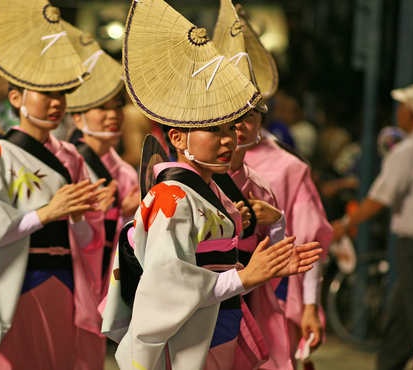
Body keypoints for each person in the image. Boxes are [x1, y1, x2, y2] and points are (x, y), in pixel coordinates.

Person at [101, 1, 322, 369]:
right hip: (187, 334)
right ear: (178, 138)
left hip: (219, 326)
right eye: (214, 130)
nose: (228, 140)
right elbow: (166, 286)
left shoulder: (213, 193)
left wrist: (263, 271)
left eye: (231, 129)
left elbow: (222, 276)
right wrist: (246, 275)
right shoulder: (171, 196)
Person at [0, 2, 115, 369]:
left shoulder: (71, 157)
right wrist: (49, 212)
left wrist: (87, 212)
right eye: (46, 94)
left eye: (61, 94)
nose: (57, 103)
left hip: (64, 280)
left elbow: (84, 233)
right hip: (17, 280)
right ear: (16, 98)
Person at [212, 3, 334, 367]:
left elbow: (308, 240)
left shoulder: (286, 168)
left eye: (247, 114)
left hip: (268, 294)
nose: (235, 127)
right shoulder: (190, 169)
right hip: (204, 299)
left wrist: (310, 306)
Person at [332, 83, 413, 370]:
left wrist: (346, 222)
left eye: (402, 107)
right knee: (403, 314)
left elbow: (380, 197)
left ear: (411, 113)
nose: (399, 113)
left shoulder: (407, 152)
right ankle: (388, 364)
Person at [64, 21, 139, 293]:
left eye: (117, 106)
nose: (112, 115)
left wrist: (129, 213)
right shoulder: (69, 164)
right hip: (76, 273)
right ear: (78, 118)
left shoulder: (126, 173)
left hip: (112, 274)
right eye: (101, 108)